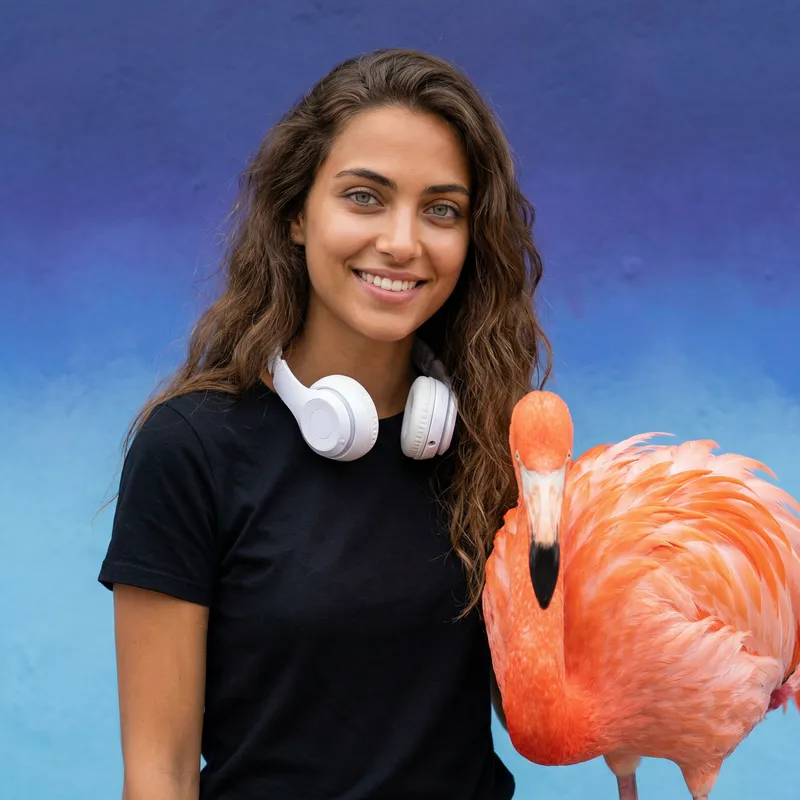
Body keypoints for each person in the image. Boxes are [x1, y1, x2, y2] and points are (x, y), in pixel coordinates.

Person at [98, 47, 551, 800]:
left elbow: (548, 713)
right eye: (365, 197)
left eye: (442, 209)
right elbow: (160, 773)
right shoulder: (191, 448)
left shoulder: (494, 445)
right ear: (295, 216)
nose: (403, 242)